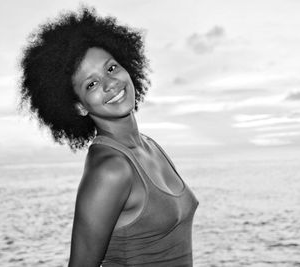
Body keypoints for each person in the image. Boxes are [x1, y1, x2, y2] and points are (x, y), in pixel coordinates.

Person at [19, 6, 199, 267]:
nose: (110, 83)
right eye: (90, 84)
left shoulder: (150, 146)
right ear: (78, 106)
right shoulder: (111, 170)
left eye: (111, 68)